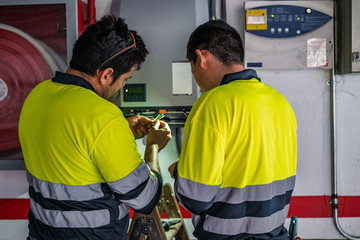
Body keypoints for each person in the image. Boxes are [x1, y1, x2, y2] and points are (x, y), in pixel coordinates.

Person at [18, 15, 171, 240]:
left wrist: (119, 133)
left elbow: (73, 154)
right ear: (107, 74)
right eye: (125, 79)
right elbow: (144, 199)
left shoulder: (36, 96)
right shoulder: (104, 117)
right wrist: (153, 148)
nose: (122, 86)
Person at [168, 20, 297, 240]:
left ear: (202, 57)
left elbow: (195, 199)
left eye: (192, 69)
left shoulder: (212, 104)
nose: (197, 80)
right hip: (275, 233)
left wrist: (178, 171)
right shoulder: (280, 102)